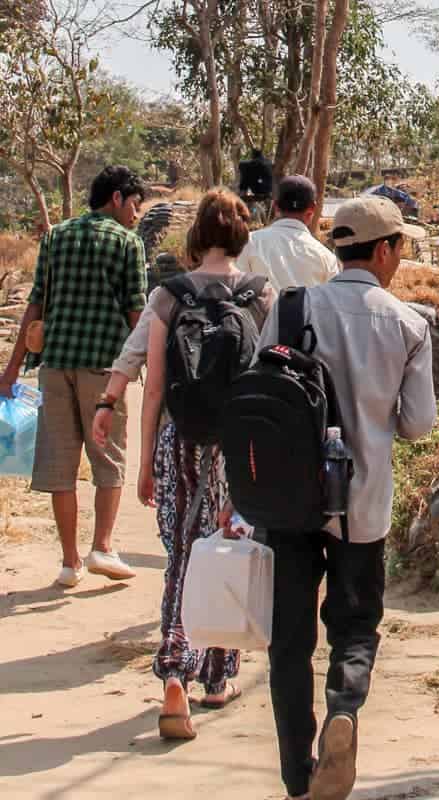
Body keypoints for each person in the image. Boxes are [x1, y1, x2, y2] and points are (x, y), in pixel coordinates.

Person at [225, 196, 435, 800]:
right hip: (362, 505)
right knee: (355, 622)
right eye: (401, 246)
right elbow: (419, 424)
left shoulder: (291, 307)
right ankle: (344, 708)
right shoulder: (408, 324)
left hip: (288, 501)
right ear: (387, 249)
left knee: (289, 637)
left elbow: (261, 390)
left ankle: (297, 774)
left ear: (340, 248)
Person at [139, 189, 277, 740]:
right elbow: (271, 385)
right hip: (239, 448)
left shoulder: (168, 297)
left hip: (179, 441)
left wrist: (148, 460)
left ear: (196, 235)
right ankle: (217, 676)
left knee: (182, 554)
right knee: (227, 551)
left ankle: (176, 674)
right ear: (243, 234)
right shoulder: (261, 295)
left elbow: (153, 391)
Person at [0, 166, 147, 587]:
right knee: (109, 460)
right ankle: (102, 545)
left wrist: (11, 371)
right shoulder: (127, 243)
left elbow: (35, 305)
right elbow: (137, 311)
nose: (136, 215)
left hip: (54, 368)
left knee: (60, 467)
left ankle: (70, 562)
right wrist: (156, 364)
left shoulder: (55, 236)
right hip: (105, 369)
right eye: (134, 205)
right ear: (117, 198)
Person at [236, 174, 339, 291]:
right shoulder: (326, 258)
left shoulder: (248, 242)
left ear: (275, 206)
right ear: (312, 209)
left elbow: (235, 288)